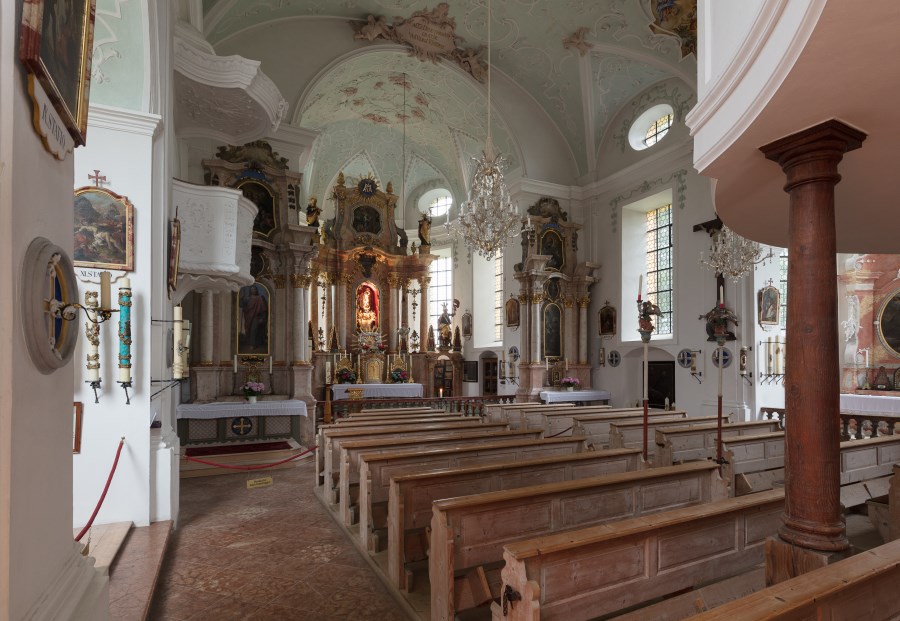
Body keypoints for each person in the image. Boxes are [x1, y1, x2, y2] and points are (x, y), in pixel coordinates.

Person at [240, 285, 268, 351]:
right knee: (249, 330)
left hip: (257, 317)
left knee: (254, 329)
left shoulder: (260, 298)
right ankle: (251, 342)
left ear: (256, 290)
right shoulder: (247, 298)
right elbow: (241, 305)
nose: (254, 290)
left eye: (255, 289)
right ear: (250, 291)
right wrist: (241, 298)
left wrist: (262, 318)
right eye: (252, 289)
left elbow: (264, 310)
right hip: (249, 317)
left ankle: (253, 344)